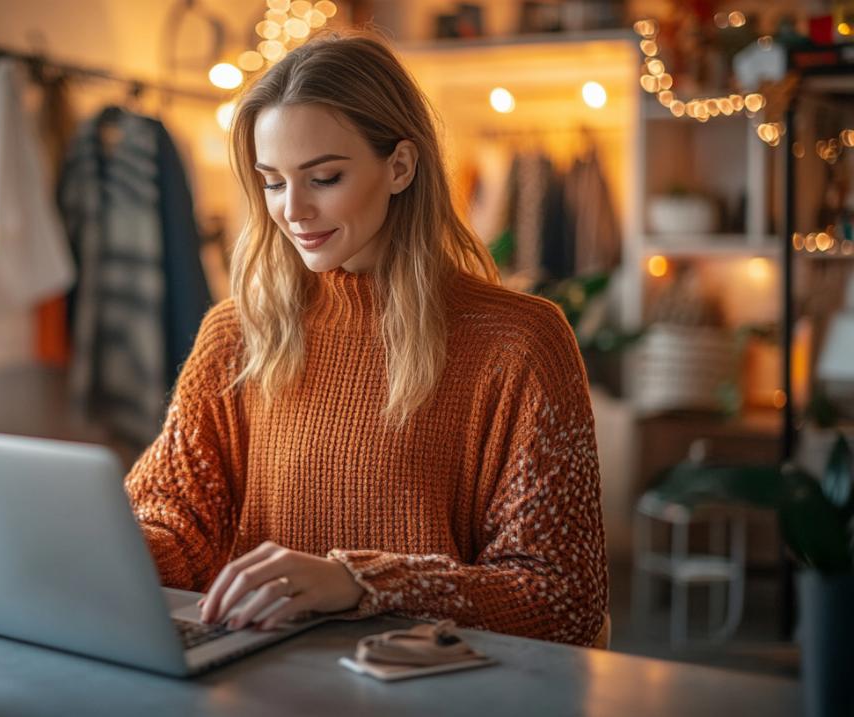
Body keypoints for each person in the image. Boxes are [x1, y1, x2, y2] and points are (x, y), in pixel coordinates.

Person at [124, 32, 608, 647]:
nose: (292, 210)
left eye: (323, 177)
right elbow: (177, 525)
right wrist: (99, 546)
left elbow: (562, 598)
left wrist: (360, 583)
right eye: (272, 181)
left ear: (401, 167)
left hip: (434, 690)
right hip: (261, 682)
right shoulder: (237, 333)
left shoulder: (520, 343)